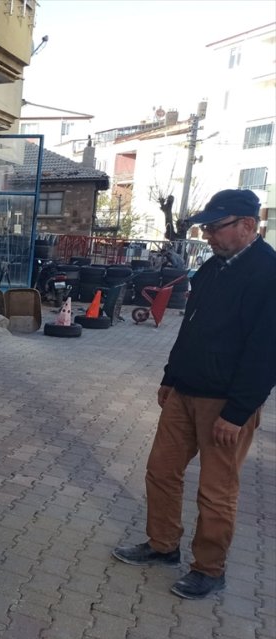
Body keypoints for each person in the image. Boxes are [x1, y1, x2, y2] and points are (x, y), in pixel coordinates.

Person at [112, 189, 276, 599]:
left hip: (225, 404)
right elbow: (190, 328)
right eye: (206, 228)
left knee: (217, 490)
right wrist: (170, 376)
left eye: (215, 227)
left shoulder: (266, 272)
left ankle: (209, 568)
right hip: (184, 391)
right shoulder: (213, 268)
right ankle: (163, 545)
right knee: (161, 470)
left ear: (248, 226)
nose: (208, 236)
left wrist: (237, 413)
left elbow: (266, 351)